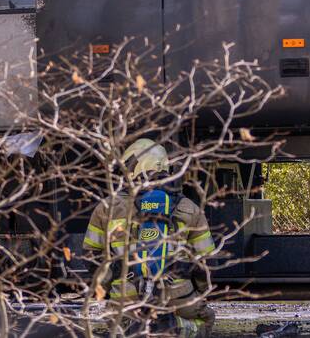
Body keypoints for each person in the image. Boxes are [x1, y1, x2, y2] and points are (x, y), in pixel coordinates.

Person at [83, 138, 217, 338]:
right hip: (178, 294)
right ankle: (174, 328)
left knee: (118, 326)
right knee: (205, 322)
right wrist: (197, 291)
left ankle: (133, 329)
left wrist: (112, 287)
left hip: (126, 296)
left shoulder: (106, 208)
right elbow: (207, 264)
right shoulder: (190, 208)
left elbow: (92, 260)